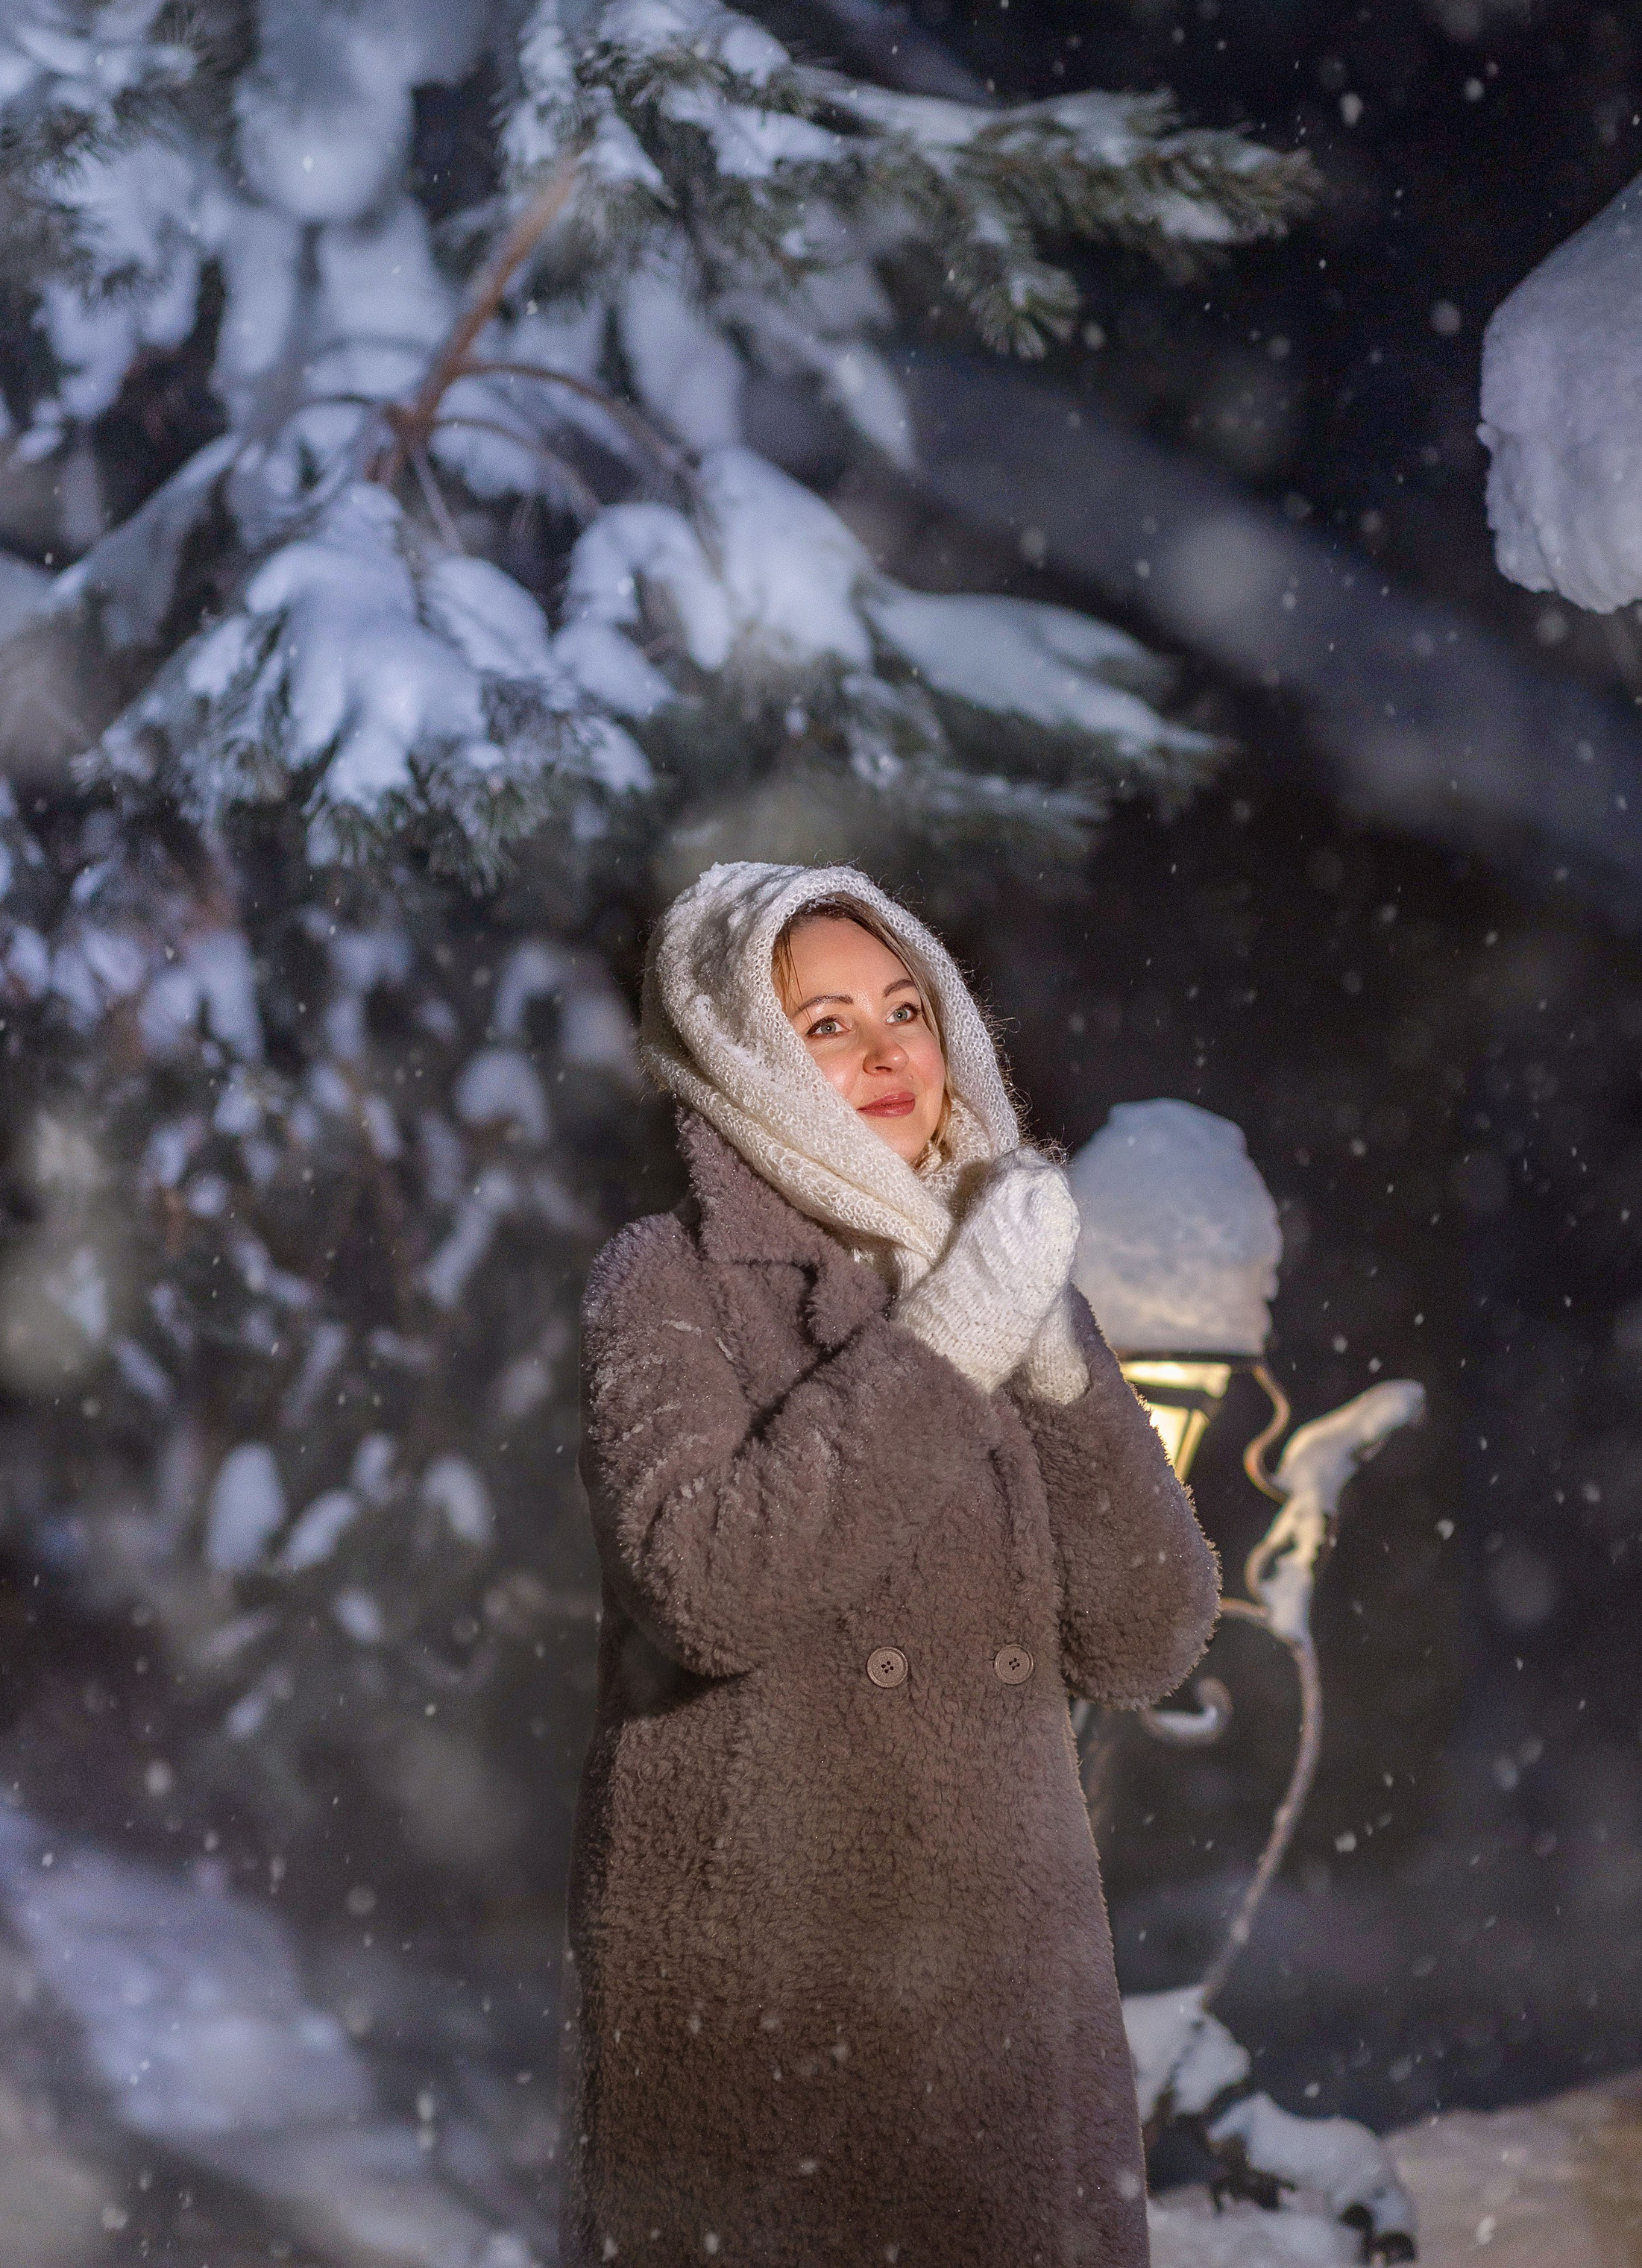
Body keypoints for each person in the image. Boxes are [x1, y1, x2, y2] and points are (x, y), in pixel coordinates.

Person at [557, 861, 1220, 2268]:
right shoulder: (663, 1280)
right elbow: (706, 1583)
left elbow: (1150, 1634)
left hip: (1007, 2012)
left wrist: (1052, 1363)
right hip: (776, 1990)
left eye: (906, 1009)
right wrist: (955, 1339)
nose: (884, 1050)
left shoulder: (1003, 1277)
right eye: (826, 1024)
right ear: (741, 1057)